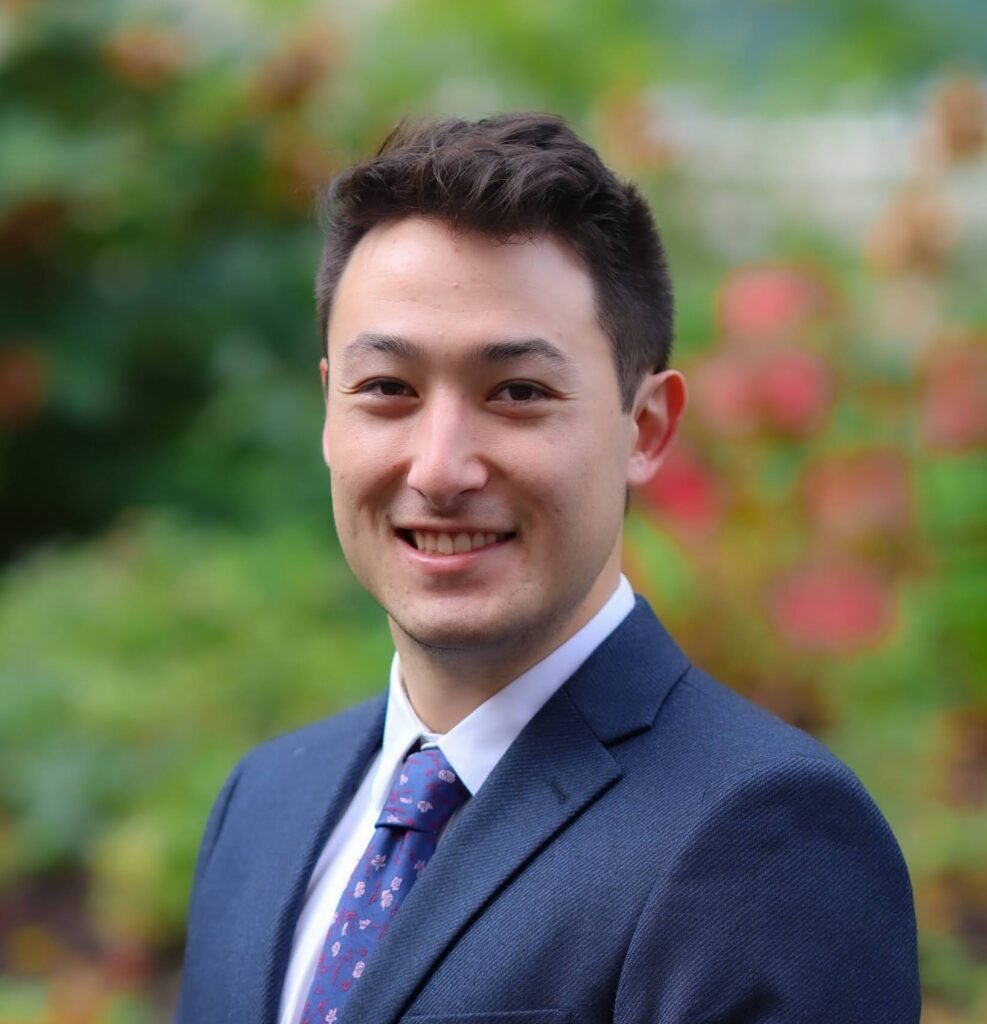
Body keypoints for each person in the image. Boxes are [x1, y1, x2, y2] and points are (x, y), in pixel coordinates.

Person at [174, 113, 920, 1024]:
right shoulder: (264, 803)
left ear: (644, 428)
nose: (440, 467)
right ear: (329, 411)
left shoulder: (765, 840)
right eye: (387, 390)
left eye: (517, 393)